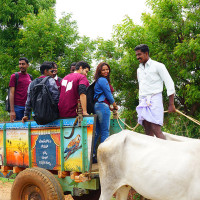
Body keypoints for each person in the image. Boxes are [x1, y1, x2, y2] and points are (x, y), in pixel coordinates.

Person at [134, 44, 176, 139]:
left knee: (156, 129)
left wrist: (171, 104)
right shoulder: (139, 70)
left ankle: (167, 152)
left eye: (139, 54)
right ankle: (152, 153)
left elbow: (169, 83)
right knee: (147, 130)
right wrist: (141, 102)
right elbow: (142, 87)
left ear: (146, 53)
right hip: (143, 101)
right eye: (136, 55)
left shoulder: (158, 66)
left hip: (155, 99)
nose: (137, 57)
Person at [93, 62, 118, 163]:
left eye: (107, 69)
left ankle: (93, 154)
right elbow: (108, 94)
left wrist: (110, 107)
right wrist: (115, 105)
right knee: (105, 131)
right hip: (102, 107)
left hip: (98, 106)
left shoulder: (98, 81)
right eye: (103, 70)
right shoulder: (103, 80)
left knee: (97, 131)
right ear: (99, 71)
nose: (105, 71)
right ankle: (104, 157)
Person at [9, 57, 32, 122]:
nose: (21, 66)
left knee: (27, 127)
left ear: (27, 65)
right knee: (18, 128)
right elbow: (11, 93)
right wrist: (12, 111)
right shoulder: (14, 76)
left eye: (23, 64)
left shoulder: (30, 77)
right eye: (20, 64)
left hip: (27, 107)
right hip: (17, 107)